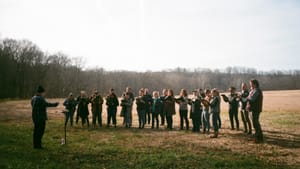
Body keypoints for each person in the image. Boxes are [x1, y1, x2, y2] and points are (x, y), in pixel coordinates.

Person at [247, 79, 264, 143]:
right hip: (252, 109)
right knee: (255, 123)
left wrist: (246, 97)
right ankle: (257, 137)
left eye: (251, 84)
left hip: (256, 109)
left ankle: (259, 138)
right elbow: (249, 99)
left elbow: (252, 99)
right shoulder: (253, 90)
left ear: (255, 84)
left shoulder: (257, 91)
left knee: (256, 124)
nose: (250, 85)